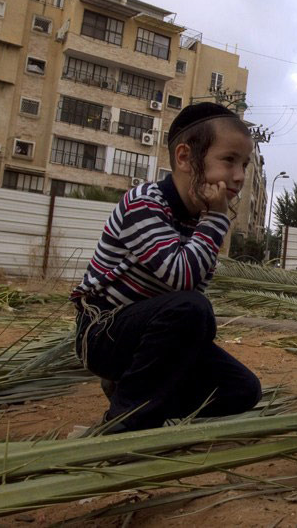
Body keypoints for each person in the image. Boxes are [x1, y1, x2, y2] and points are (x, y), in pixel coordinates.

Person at [71, 103, 263, 432]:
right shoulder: (144, 202)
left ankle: (135, 393)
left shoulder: (200, 219)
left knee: (243, 390)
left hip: (154, 340)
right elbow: (182, 279)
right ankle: (123, 423)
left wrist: (210, 221)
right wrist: (216, 219)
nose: (239, 176)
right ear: (185, 157)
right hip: (104, 334)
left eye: (244, 165)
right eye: (229, 160)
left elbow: (191, 293)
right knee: (192, 307)